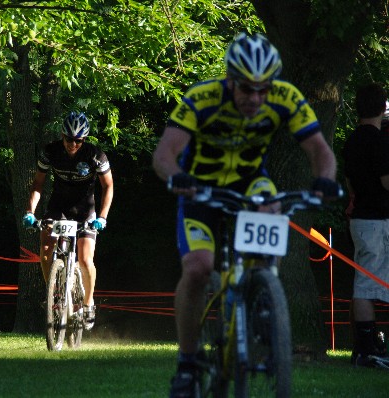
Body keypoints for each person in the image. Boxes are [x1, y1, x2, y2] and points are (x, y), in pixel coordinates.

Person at [152, 32, 342, 397]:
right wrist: (177, 177)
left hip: (252, 184)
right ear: (229, 78)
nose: (255, 98)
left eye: (263, 89)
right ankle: (188, 364)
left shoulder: (286, 97)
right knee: (197, 269)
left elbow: (320, 149)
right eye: (246, 88)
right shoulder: (201, 98)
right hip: (202, 190)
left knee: (271, 205)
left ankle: (262, 300)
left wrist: (325, 181)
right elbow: (165, 153)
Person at [22, 111, 114, 331]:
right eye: (69, 139)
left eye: (78, 140)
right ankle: (54, 292)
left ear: (84, 139)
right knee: (45, 249)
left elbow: (108, 186)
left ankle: (88, 303)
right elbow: (37, 184)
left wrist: (102, 217)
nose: (73, 144)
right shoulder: (50, 152)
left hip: (86, 210)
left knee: (84, 259)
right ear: (62, 135)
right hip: (59, 207)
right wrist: (30, 212)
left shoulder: (95, 155)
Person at [342, 83, 389, 368]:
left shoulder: (351, 141)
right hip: (378, 222)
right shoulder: (379, 141)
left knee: (364, 283)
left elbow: (350, 184)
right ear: (383, 107)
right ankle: (368, 350)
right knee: (366, 286)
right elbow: (386, 181)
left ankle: (363, 346)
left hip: (360, 220)